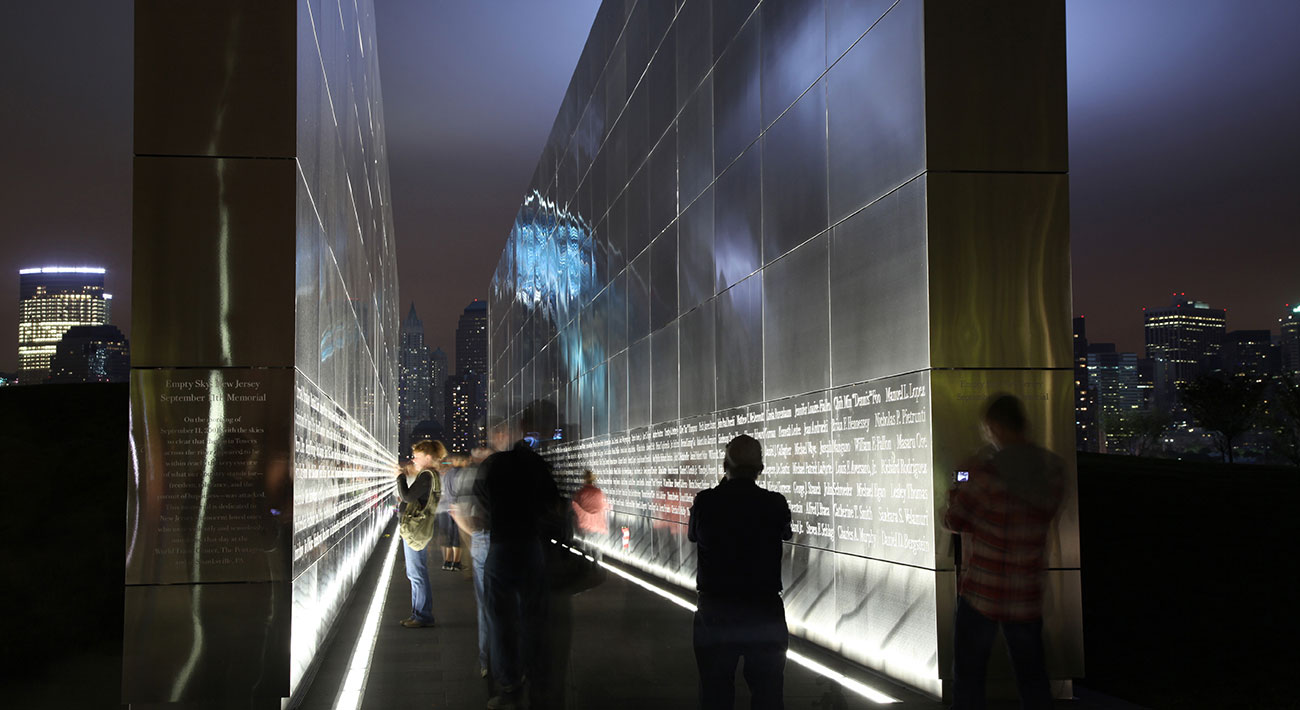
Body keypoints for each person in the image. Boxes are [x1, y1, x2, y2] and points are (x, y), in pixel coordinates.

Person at [942, 394, 1066, 710]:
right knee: (1032, 679)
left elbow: (954, 520)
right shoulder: (1053, 470)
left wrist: (957, 488)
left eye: (987, 429)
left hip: (982, 592)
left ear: (995, 426)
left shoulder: (985, 475)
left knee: (969, 678)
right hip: (1026, 593)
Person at [688, 434, 793, 710]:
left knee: (715, 693)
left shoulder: (706, 502)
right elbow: (786, 532)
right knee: (768, 693)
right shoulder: (774, 503)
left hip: (716, 609)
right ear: (761, 468)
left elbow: (692, 536)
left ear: (725, 465)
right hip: (763, 607)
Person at [475, 415, 562, 710]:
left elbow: (481, 498)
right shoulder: (536, 465)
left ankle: (510, 683)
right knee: (533, 616)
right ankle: (536, 677)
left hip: (501, 546)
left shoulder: (493, 465)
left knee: (500, 618)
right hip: (531, 546)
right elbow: (552, 500)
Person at [451, 446, 495, 678]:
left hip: (482, 537)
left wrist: (474, 535)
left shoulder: (468, 475)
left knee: (485, 603)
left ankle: (486, 660)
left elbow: (456, 510)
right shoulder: (494, 472)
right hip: (499, 539)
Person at [395, 438, 445, 629]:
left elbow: (407, 496)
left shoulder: (427, 475)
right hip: (421, 530)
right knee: (416, 572)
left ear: (428, 457)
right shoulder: (432, 475)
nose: (413, 459)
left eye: (417, 456)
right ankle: (418, 613)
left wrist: (400, 477)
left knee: (416, 573)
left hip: (415, 530)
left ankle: (422, 615)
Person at [436, 455, 465, 571]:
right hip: (459, 507)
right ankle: (456, 562)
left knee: (448, 535)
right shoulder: (461, 473)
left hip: (446, 507)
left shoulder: (447, 475)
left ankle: (447, 561)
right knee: (457, 535)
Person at [570, 468, 610, 540]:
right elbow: (606, 507)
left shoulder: (581, 493)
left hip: (585, 528)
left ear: (584, 480)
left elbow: (573, 508)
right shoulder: (599, 493)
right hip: (599, 529)